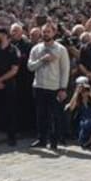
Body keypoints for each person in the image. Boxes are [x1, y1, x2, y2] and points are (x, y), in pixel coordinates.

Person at [27, 23, 71, 152]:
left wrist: (63, 88)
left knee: (55, 115)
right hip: (39, 86)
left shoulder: (61, 49)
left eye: (48, 32)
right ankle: (41, 139)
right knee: (41, 115)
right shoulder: (36, 49)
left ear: (54, 33)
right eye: (44, 32)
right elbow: (30, 66)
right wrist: (42, 60)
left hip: (54, 87)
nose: (46, 34)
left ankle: (54, 140)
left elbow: (65, 70)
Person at [65, 76, 91, 149]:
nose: (83, 90)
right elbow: (71, 108)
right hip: (83, 122)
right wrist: (76, 93)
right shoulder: (77, 97)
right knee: (82, 142)